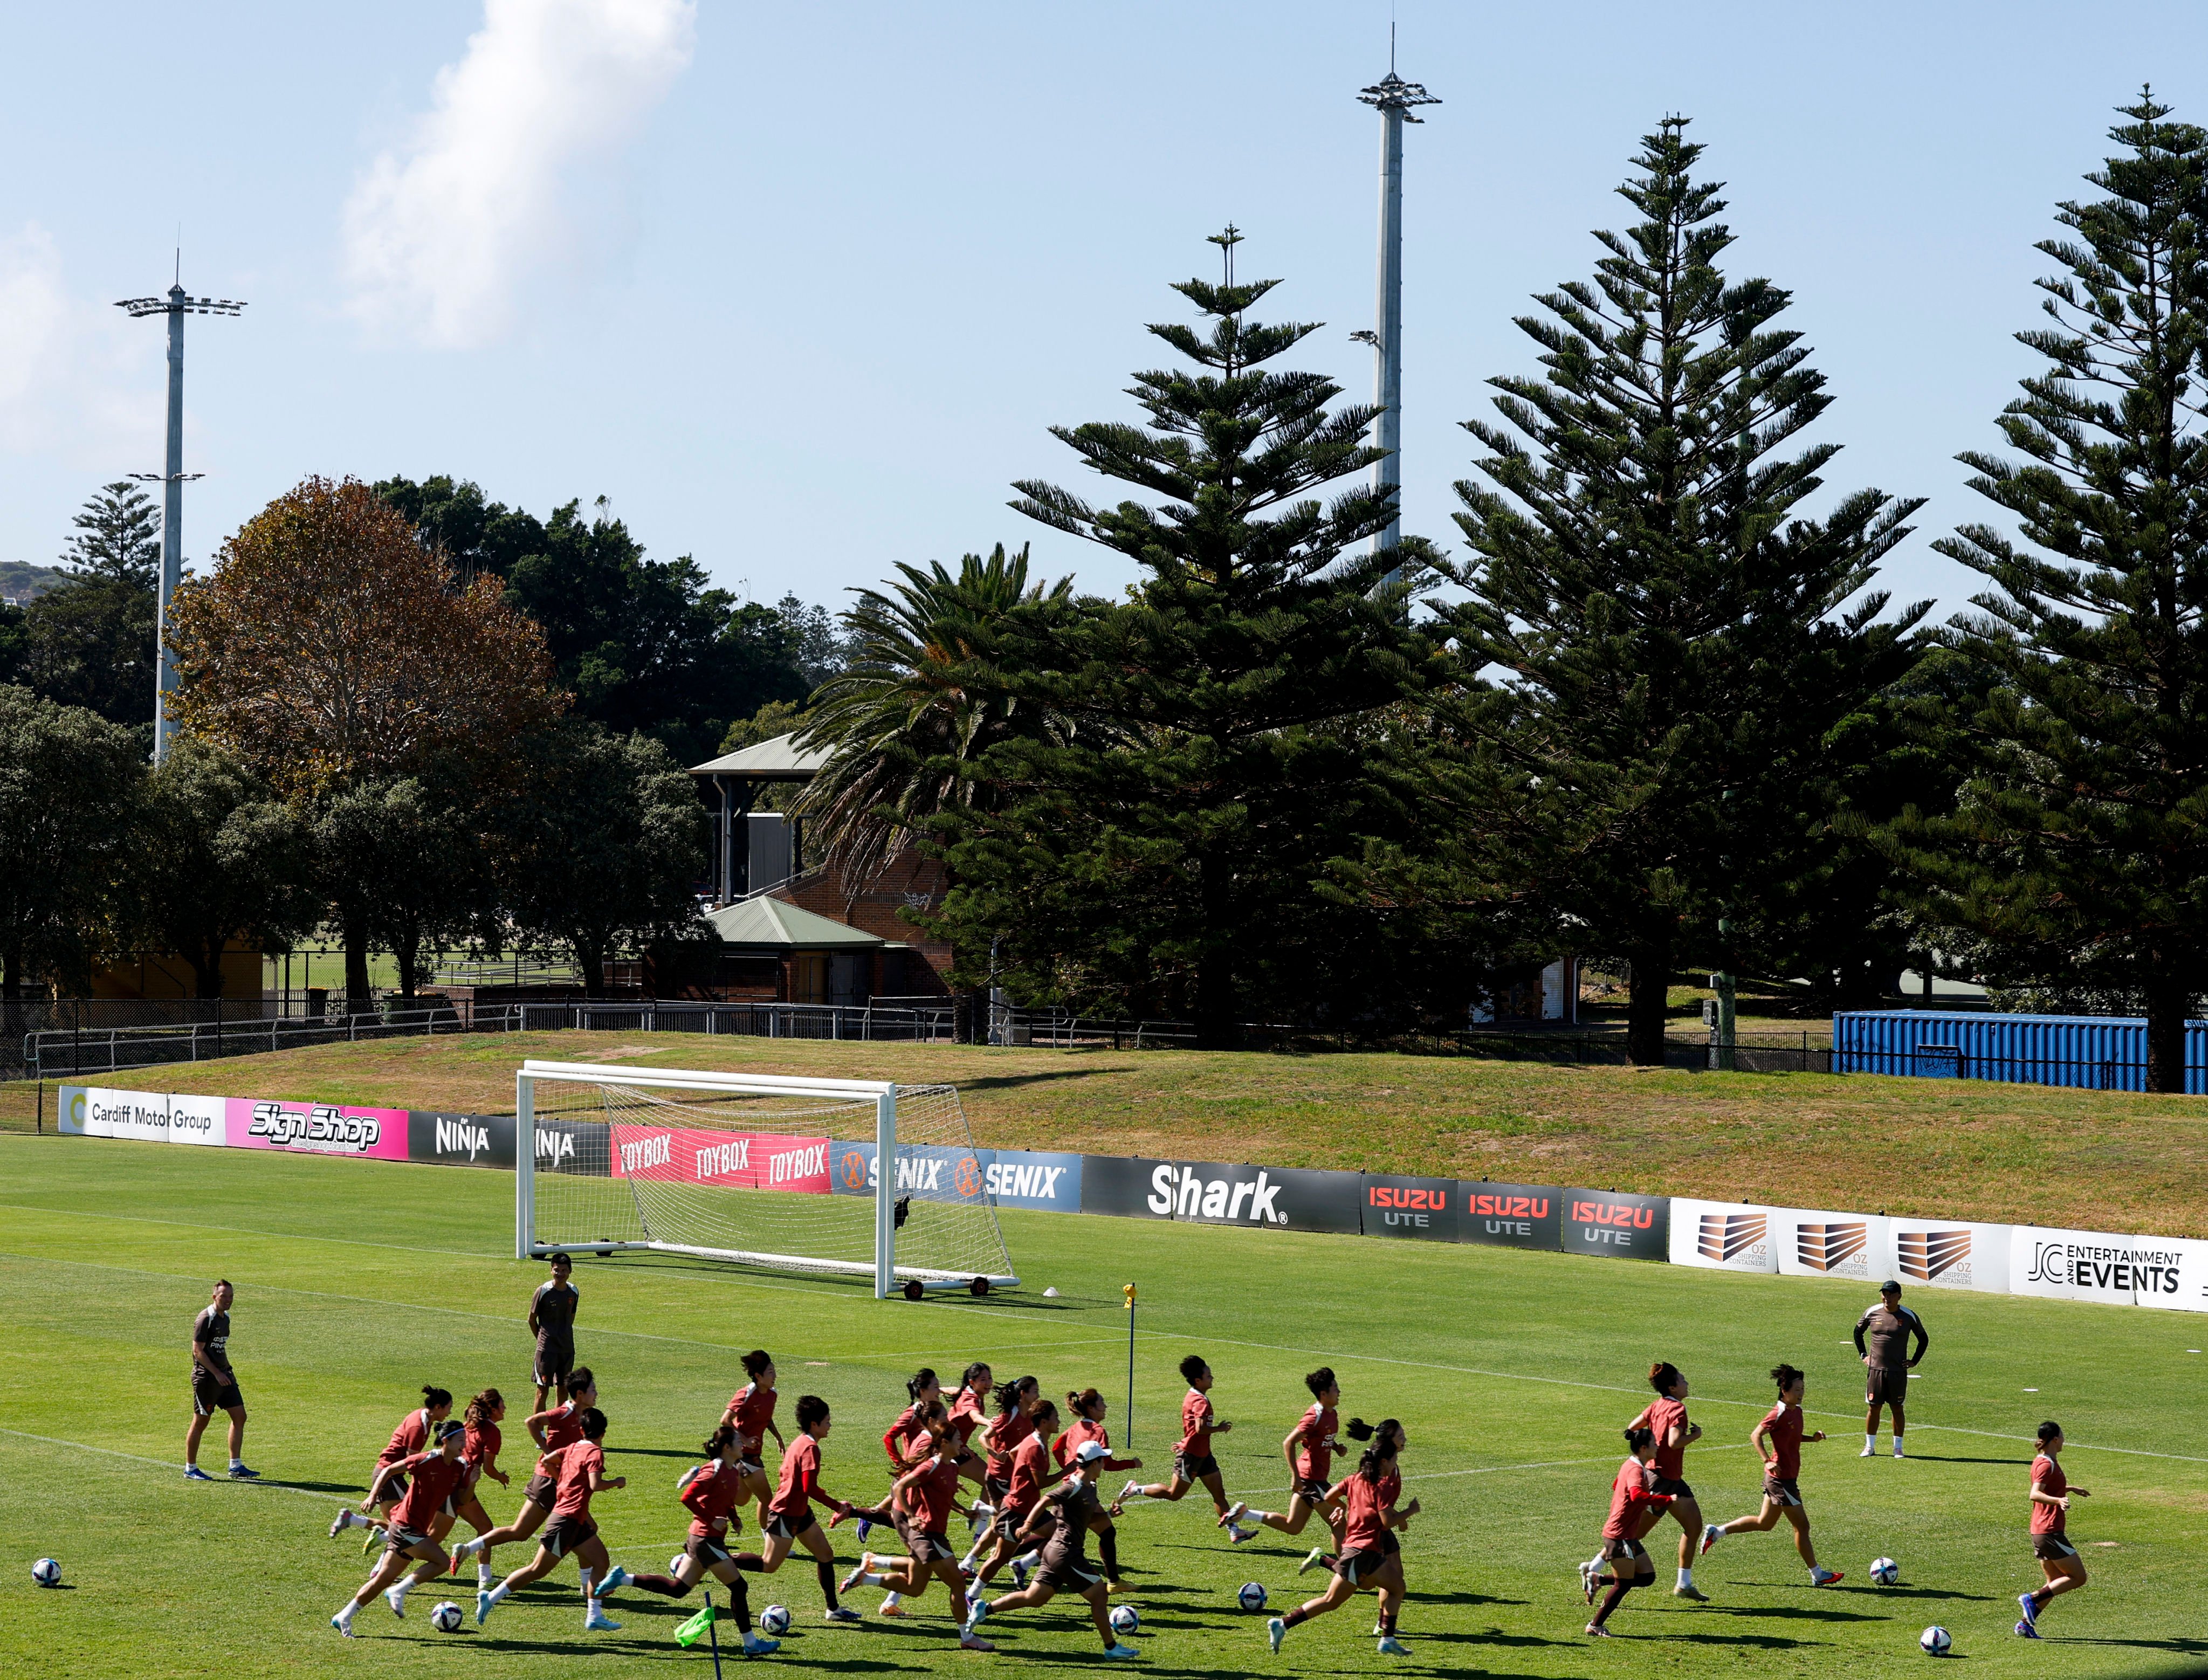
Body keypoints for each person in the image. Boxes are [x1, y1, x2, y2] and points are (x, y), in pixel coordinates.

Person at [964, 1441, 1139, 1658]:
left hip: (1055, 1551)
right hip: (1065, 1553)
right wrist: (1028, 1525)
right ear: (1094, 1464)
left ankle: (985, 1609)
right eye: (1102, 1460)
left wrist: (1110, 1515)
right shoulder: (1073, 1486)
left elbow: (1087, 1519)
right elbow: (1045, 1500)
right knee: (1099, 1594)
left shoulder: (1090, 1487)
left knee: (1034, 1598)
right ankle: (1112, 1648)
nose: (1104, 1464)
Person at [620, 1422, 783, 1653]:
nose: (743, 1444)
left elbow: (725, 1498)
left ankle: (622, 1578)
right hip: (706, 1539)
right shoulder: (715, 1468)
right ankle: (751, 1644)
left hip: (705, 1539)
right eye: (738, 1442)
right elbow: (687, 1498)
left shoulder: (732, 1468)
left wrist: (734, 1518)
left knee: (678, 1589)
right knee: (739, 1587)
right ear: (727, 1447)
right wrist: (711, 1519)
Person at [1265, 1420, 1416, 1656]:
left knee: (1395, 1587)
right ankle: (1283, 1623)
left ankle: (1387, 1638)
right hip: (1361, 1550)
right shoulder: (1380, 1485)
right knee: (1333, 1601)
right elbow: (1386, 1520)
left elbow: (1329, 1498)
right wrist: (1410, 1512)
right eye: (1394, 1460)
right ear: (1384, 1461)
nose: (1396, 1463)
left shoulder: (1354, 1479)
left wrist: (1342, 1508)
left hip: (1366, 1550)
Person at [841, 1412, 992, 1647]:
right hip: (928, 1535)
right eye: (958, 1439)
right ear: (944, 1443)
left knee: (915, 1587)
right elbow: (900, 1487)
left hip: (936, 1534)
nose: (962, 1443)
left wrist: (965, 1512)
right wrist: (911, 1516)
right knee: (958, 1583)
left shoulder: (951, 1467)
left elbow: (944, 1497)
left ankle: (867, 1576)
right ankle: (967, 1637)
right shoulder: (931, 1466)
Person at [477, 1405, 632, 1631]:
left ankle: (594, 1616)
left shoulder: (572, 1447)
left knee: (601, 1562)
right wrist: (617, 1482)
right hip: (565, 1521)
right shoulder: (595, 1453)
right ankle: (490, 1598)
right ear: (603, 1433)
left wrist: (564, 1482)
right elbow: (595, 1484)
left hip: (575, 1520)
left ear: (581, 1430)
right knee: (537, 1570)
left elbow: (548, 1460)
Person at [1698, 1365, 1841, 1586]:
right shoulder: (1779, 1412)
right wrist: (1768, 1460)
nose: (1801, 1393)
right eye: (1797, 1389)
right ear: (1784, 1391)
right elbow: (1756, 1435)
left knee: (1764, 1523)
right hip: (1780, 1480)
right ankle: (1818, 1575)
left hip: (1785, 1478)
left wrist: (1811, 1439)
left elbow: (1790, 1437)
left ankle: (1716, 1532)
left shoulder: (1796, 1411)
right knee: (1802, 1527)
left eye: (1803, 1388)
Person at [449, 1368, 598, 1567]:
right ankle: (590, 1590)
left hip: (562, 1482)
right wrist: (547, 1452)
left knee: (580, 1530)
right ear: (580, 1394)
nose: (596, 1393)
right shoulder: (564, 1413)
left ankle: (589, 1588)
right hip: (548, 1481)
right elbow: (532, 1422)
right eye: (593, 1389)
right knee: (525, 1532)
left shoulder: (584, 1415)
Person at [332, 1420, 470, 1636]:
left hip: (416, 1528)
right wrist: (373, 1495)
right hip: (405, 1525)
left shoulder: (460, 1467)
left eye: (466, 1440)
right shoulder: (425, 1459)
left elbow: (463, 1498)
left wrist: (472, 1480)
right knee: (442, 1562)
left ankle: (344, 1616)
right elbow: (388, 1470)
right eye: (460, 1440)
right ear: (446, 1441)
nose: (465, 1444)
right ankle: (399, 1590)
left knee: (383, 1579)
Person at [732, 1395, 863, 1622]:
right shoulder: (810, 1449)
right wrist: (837, 1506)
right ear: (815, 1424)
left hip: (800, 1511)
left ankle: (833, 1610)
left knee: (825, 1554)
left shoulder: (800, 1441)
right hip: (786, 1513)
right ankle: (715, 1556)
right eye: (827, 1421)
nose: (830, 1426)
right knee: (769, 1565)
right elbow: (809, 1487)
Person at [1119, 1354, 1257, 1543]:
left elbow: (1192, 1427)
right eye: (1209, 1376)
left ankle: (1235, 1531)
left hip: (1203, 1454)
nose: (1212, 1378)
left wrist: (1186, 1440)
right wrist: (1220, 1428)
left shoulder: (1193, 1395)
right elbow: (1200, 1428)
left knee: (1219, 1494)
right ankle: (1134, 1490)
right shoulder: (1200, 1401)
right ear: (1198, 1380)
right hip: (1191, 1456)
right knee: (1173, 1495)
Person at [1247, 1368, 1347, 1569]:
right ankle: (1346, 1570)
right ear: (1324, 1394)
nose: (1339, 1392)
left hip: (1315, 1478)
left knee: (1293, 1526)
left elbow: (1320, 1439)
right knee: (1340, 1520)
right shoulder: (1314, 1416)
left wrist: (1336, 1448)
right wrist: (1296, 1477)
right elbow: (1289, 1443)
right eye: (1335, 1388)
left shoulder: (1332, 1414)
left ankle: (1245, 1513)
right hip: (1310, 1478)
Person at [331, 1386, 453, 1549]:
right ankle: (380, 1557)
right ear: (438, 1407)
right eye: (449, 1408)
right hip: (389, 1476)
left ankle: (352, 1520)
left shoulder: (423, 1417)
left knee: (400, 1526)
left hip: (390, 1475)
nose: (449, 1413)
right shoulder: (418, 1427)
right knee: (407, 1527)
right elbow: (413, 1464)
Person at [1625, 1361, 1707, 1600]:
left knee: (1694, 1527)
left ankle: (1684, 1584)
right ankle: (1594, 1569)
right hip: (1660, 1481)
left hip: (1672, 1480)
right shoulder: (1678, 1410)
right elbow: (1674, 1442)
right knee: (1631, 1535)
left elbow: (1632, 1428)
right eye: (1682, 1380)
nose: (1687, 1383)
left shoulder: (1657, 1405)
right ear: (1673, 1387)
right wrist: (1695, 1435)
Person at [1582, 1427, 1674, 1638]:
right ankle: (1595, 1626)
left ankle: (1598, 1579)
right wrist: (1666, 1500)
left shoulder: (1631, 1464)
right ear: (1644, 1448)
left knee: (1647, 1577)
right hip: (1619, 1535)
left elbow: (1617, 1485)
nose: (1657, 1446)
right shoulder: (1635, 1469)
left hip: (1626, 1534)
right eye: (1654, 1443)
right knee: (1623, 1584)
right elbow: (1636, 1495)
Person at [970, 1396, 1060, 1591]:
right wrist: (1067, 1471)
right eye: (1056, 1417)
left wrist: (1019, 1474)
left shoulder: (1034, 1439)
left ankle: (1023, 1565)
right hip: (1017, 1511)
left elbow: (1012, 1454)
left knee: (1059, 1534)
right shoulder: (1036, 1447)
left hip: (1029, 1507)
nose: (1059, 1421)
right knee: (999, 1558)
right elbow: (1040, 1482)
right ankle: (972, 1594)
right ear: (1044, 1422)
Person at [1053, 1389, 1138, 1591]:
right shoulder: (1098, 1431)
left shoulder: (1074, 1428)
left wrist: (1067, 1470)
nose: (1105, 1406)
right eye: (1102, 1402)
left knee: (1056, 1533)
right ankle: (1114, 1582)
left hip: (1072, 1484)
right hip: (1080, 1490)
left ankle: (1114, 1581)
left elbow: (1057, 1449)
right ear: (1091, 1408)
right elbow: (1107, 1464)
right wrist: (1132, 1464)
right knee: (1102, 1533)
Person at [2017, 1420, 2090, 1639]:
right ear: (2055, 1439)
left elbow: (2049, 1486)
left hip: (2041, 1531)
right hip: (2049, 1532)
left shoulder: (2045, 1461)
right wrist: (2059, 1500)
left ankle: (2025, 1625)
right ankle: (2031, 1599)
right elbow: (2035, 1493)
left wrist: (2069, 1488)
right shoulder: (2046, 1464)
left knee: (2054, 1583)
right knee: (2078, 1577)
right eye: (2063, 1436)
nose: (2065, 1440)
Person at [434, 1389, 511, 1593]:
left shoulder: (471, 1424)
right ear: (493, 1409)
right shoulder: (492, 1432)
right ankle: (386, 1559)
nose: (505, 1408)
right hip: (461, 1486)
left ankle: (484, 1577)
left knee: (485, 1527)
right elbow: (488, 1468)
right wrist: (502, 1477)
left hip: (452, 1480)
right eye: (502, 1404)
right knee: (429, 1538)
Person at [185, 1280, 256, 1481]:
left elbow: (219, 1348)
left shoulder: (226, 1318)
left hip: (225, 1376)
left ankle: (236, 1465)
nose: (228, 1300)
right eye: (224, 1296)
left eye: (231, 1296)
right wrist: (217, 1373)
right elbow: (197, 1350)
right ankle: (190, 1468)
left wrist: (227, 1371)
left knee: (240, 1416)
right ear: (214, 1296)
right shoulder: (205, 1319)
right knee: (201, 1421)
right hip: (207, 1378)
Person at [1855, 1280, 1928, 1458]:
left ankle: (1898, 1448)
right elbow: (1857, 1332)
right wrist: (1864, 1355)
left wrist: (1914, 1361)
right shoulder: (1872, 1312)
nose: (1887, 1298)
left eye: (1891, 1295)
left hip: (1897, 1372)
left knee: (1897, 1408)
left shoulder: (1909, 1315)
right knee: (1874, 1408)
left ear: (1899, 1296)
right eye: (1884, 1294)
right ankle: (1870, 1447)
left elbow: (1924, 1339)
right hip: (1876, 1371)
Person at [719, 1348, 786, 1509]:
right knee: (768, 1500)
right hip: (744, 1454)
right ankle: (768, 1533)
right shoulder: (746, 1394)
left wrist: (779, 1438)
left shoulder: (772, 1395)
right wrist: (745, 1440)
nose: (775, 1376)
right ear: (758, 1376)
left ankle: (713, 1486)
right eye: (770, 1372)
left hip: (754, 1452)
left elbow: (766, 1418)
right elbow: (725, 1420)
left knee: (741, 1500)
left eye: (774, 1371)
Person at [529, 1252, 581, 1413]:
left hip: (566, 1348)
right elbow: (532, 1319)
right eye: (557, 1270)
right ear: (551, 1270)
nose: (560, 1274)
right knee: (542, 1391)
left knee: (563, 1389)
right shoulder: (543, 1291)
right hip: (547, 1350)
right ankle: (540, 1431)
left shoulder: (573, 1291)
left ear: (570, 1271)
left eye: (564, 1270)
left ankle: (557, 1429)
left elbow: (570, 1318)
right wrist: (542, 1339)